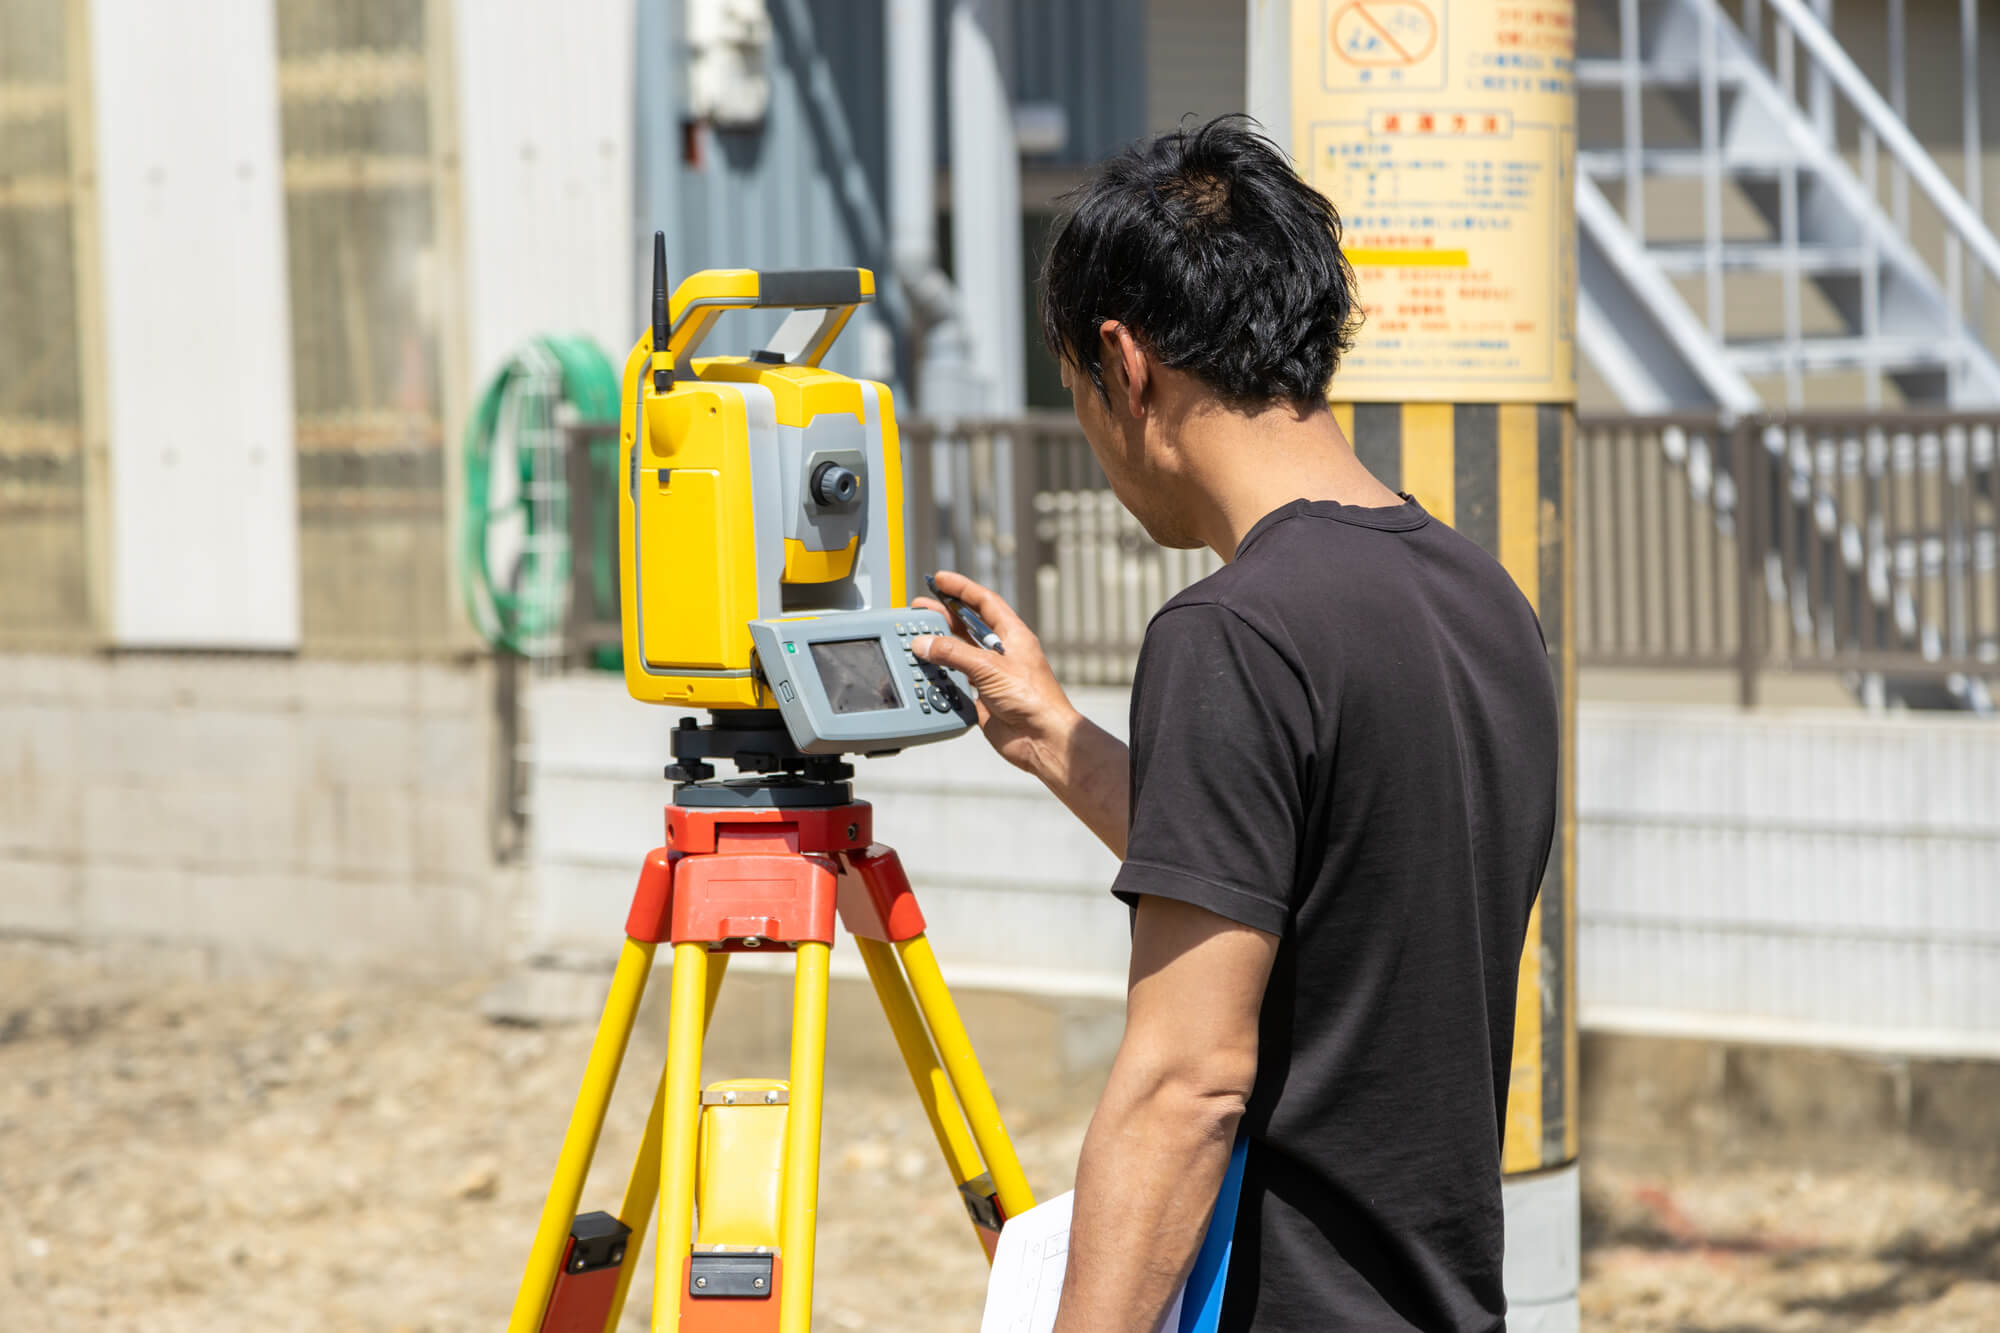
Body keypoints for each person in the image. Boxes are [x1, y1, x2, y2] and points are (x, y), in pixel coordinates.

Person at [911, 115, 1559, 1332]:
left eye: (1075, 395)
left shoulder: (1232, 632)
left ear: (1125, 360)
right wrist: (1055, 737)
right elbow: (1320, 891)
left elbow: (1185, 1083)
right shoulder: (1484, 601)